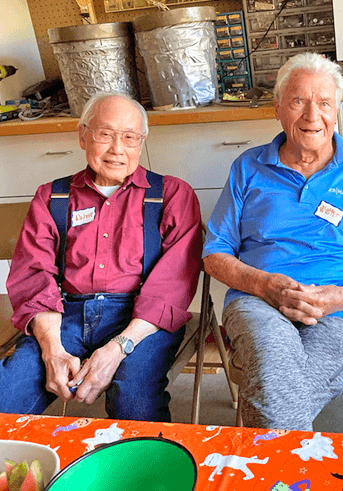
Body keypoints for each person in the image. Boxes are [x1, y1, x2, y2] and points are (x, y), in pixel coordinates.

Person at [203, 52, 343, 431]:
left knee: (273, 390)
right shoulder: (248, 167)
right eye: (298, 101)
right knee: (271, 365)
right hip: (256, 302)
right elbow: (215, 252)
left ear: (338, 111)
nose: (312, 115)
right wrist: (263, 284)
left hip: (339, 311)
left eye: (324, 103)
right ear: (278, 108)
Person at [0, 92, 203, 422]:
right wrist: (52, 350)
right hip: (63, 314)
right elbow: (34, 273)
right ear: (83, 135)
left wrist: (118, 348)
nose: (117, 149)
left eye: (129, 137)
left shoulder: (171, 194)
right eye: (105, 134)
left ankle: (140, 471)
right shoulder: (52, 196)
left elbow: (174, 283)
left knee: (133, 401)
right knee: (8, 395)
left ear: (142, 141)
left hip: (140, 318)